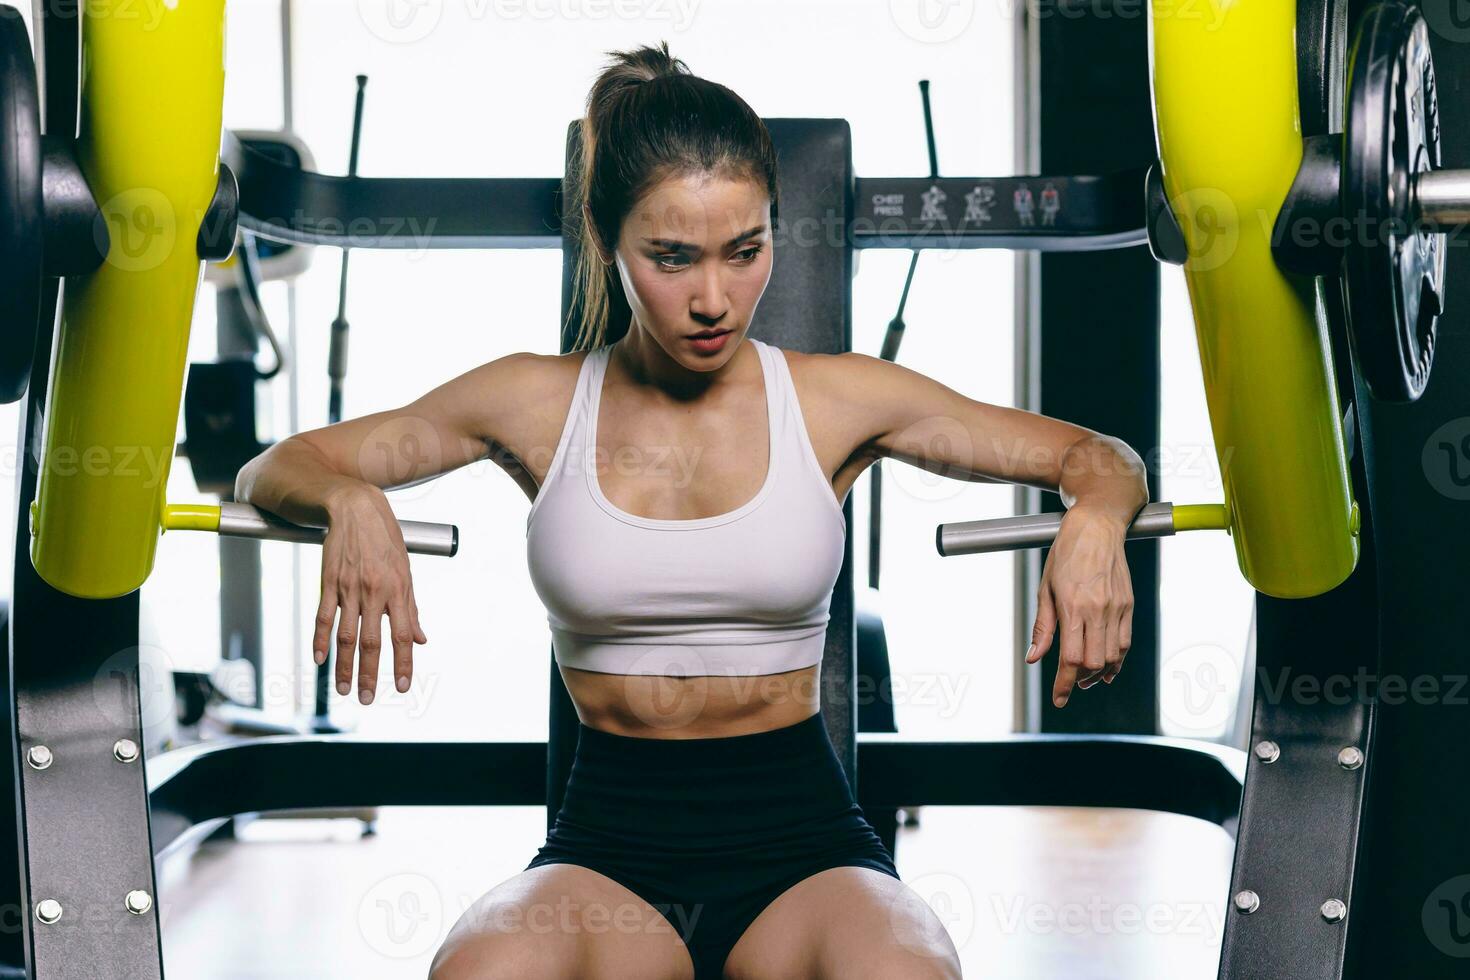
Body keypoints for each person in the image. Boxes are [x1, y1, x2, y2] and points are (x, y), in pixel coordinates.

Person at [235, 41, 1147, 980]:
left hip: (806, 851)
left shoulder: (836, 402)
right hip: (607, 852)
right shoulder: (533, 403)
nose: (714, 299)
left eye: (745, 252)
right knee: (479, 973)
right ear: (607, 243)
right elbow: (278, 466)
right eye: (671, 258)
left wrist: (1094, 519)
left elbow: (1097, 456)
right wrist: (350, 497)